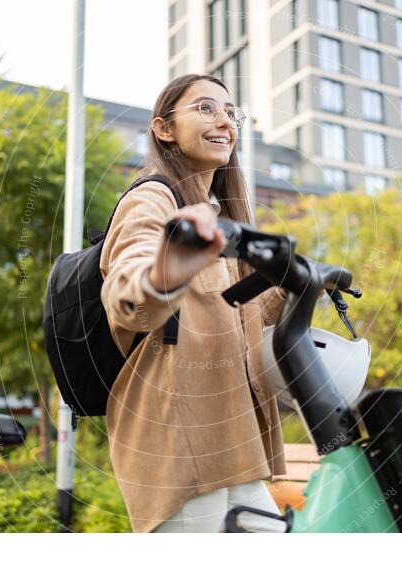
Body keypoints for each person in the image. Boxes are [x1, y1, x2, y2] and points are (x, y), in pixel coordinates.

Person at [99, 74, 289, 533]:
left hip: (232, 444)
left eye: (230, 112)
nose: (224, 120)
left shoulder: (219, 221)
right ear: (164, 129)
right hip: (179, 447)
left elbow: (241, 321)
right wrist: (167, 268)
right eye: (206, 108)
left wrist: (292, 283)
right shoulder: (153, 198)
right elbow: (128, 297)